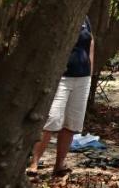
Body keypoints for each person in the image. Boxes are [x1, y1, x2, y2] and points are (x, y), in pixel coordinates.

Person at [29, 15, 94, 177]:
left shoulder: (85, 18)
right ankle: (34, 163)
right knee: (51, 120)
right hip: (61, 77)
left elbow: (91, 43)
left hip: (82, 78)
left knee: (71, 124)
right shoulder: (63, 14)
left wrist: (90, 71)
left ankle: (59, 165)